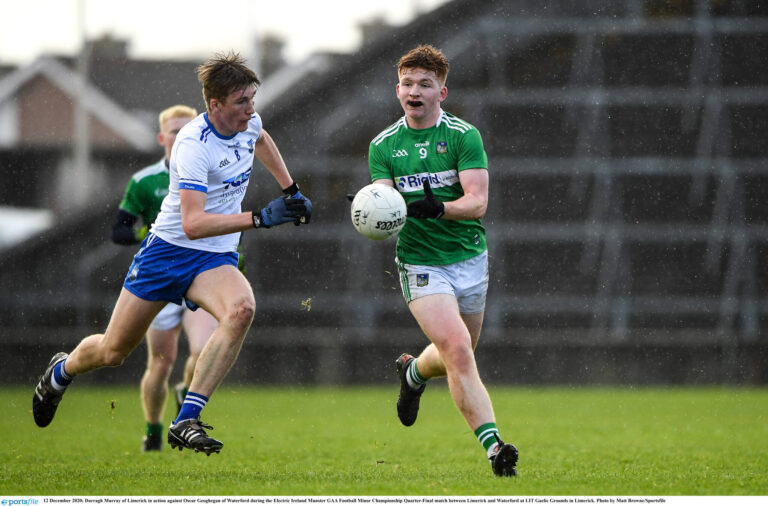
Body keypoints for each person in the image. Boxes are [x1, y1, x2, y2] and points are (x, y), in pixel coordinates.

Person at [33, 52, 312, 456]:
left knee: (241, 310)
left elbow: (262, 139)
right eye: (241, 102)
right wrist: (260, 219)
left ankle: (186, 419)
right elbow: (193, 224)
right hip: (168, 253)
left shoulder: (249, 121)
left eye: (252, 99)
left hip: (212, 258)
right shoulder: (193, 146)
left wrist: (291, 190)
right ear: (214, 105)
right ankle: (60, 372)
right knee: (113, 351)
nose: (251, 109)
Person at [367, 45, 518, 476]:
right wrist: (377, 214)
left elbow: (478, 203)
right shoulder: (383, 145)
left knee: (459, 351)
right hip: (419, 261)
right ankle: (494, 448)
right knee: (457, 349)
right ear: (398, 90)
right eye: (408, 84)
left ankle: (413, 373)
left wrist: (440, 208)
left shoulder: (463, 136)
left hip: (469, 258)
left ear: (442, 92)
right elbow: (385, 206)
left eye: (425, 84)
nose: (415, 91)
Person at [111, 104, 219, 452]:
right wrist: (152, 234)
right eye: (175, 131)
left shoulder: (211, 173)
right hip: (159, 277)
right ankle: (153, 431)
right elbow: (119, 230)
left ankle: (185, 408)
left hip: (199, 275)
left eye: (188, 129)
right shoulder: (145, 181)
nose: (181, 136)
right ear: (162, 138)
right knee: (161, 362)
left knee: (203, 351)